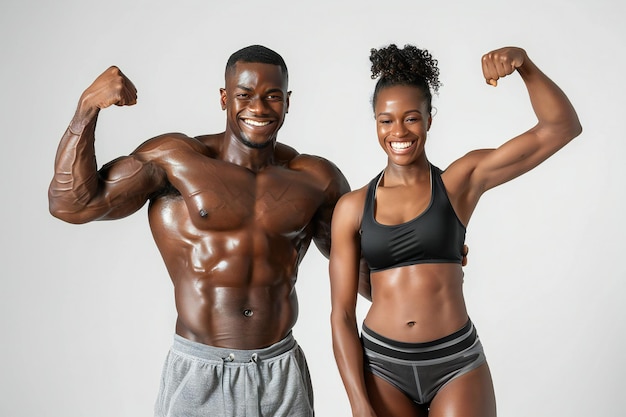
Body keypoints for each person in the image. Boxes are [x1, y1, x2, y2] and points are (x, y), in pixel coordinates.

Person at [48, 45, 351, 417]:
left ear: (288, 101)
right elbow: (71, 204)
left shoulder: (316, 178)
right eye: (244, 95)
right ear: (225, 98)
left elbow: (364, 271)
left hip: (279, 370)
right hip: (199, 370)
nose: (258, 108)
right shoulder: (176, 160)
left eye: (272, 96)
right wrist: (87, 108)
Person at [329, 44, 582, 417]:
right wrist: (359, 404)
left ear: (429, 119)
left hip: (455, 364)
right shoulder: (352, 208)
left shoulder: (459, 183)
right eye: (386, 120)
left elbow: (561, 128)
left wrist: (524, 64)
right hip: (382, 366)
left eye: (411, 118)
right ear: (376, 123)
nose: (398, 131)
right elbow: (341, 315)